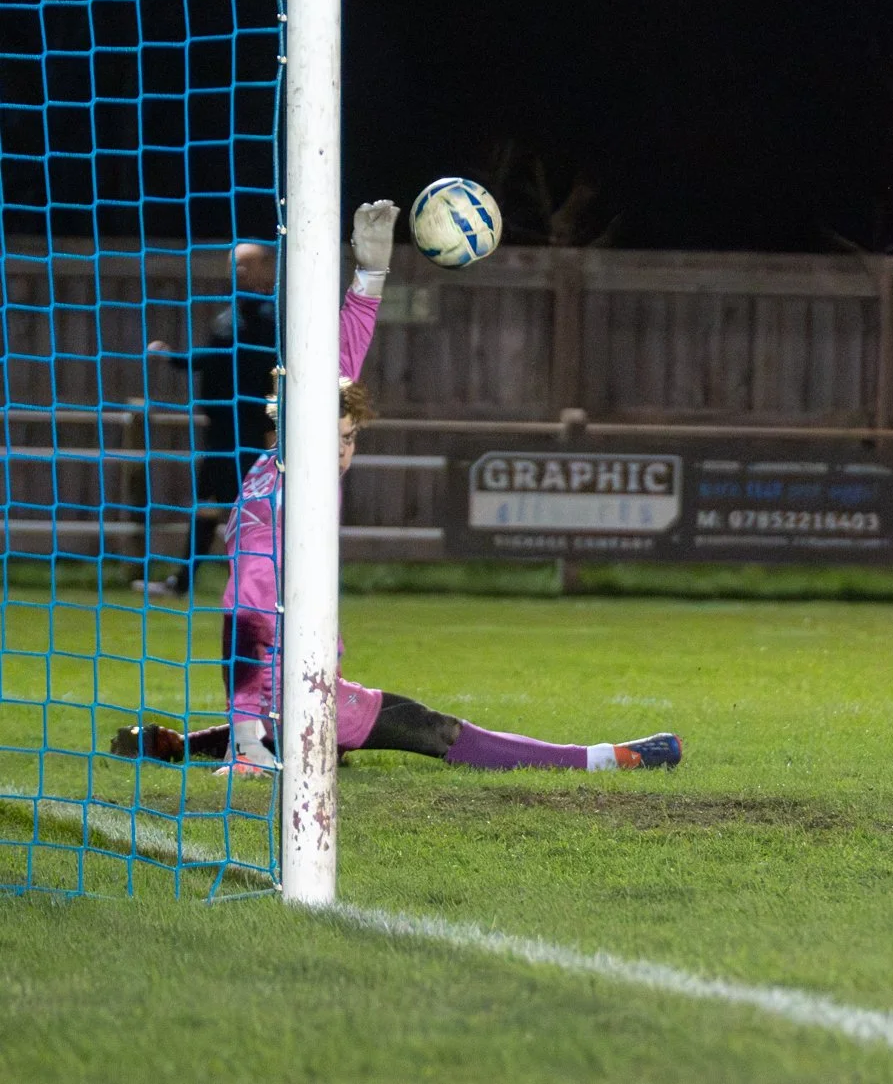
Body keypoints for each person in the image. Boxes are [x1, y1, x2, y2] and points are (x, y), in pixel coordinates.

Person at [115, 202, 680, 776]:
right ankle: (608, 758)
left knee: (321, 738)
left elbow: (339, 369)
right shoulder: (279, 501)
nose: (341, 449)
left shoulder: (280, 463)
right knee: (433, 729)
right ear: (290, 430)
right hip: (302, 691)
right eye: (331, 436)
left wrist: (372, 273)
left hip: (300, 689)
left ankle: (184, 746)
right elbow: (244, 618)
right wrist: (246, 744)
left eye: (351, 436)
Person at [137, 241, 277, 596]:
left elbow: (223, 357)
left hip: (246, 432)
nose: (238, 271)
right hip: (222, 430)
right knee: (211, 506)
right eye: (234, 265)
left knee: (241, 510)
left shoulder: (267, 316)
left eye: (245, 265)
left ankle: (253, 584)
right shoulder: (238, 311)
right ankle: (184, 582)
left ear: (266, 268)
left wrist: (176, 358)